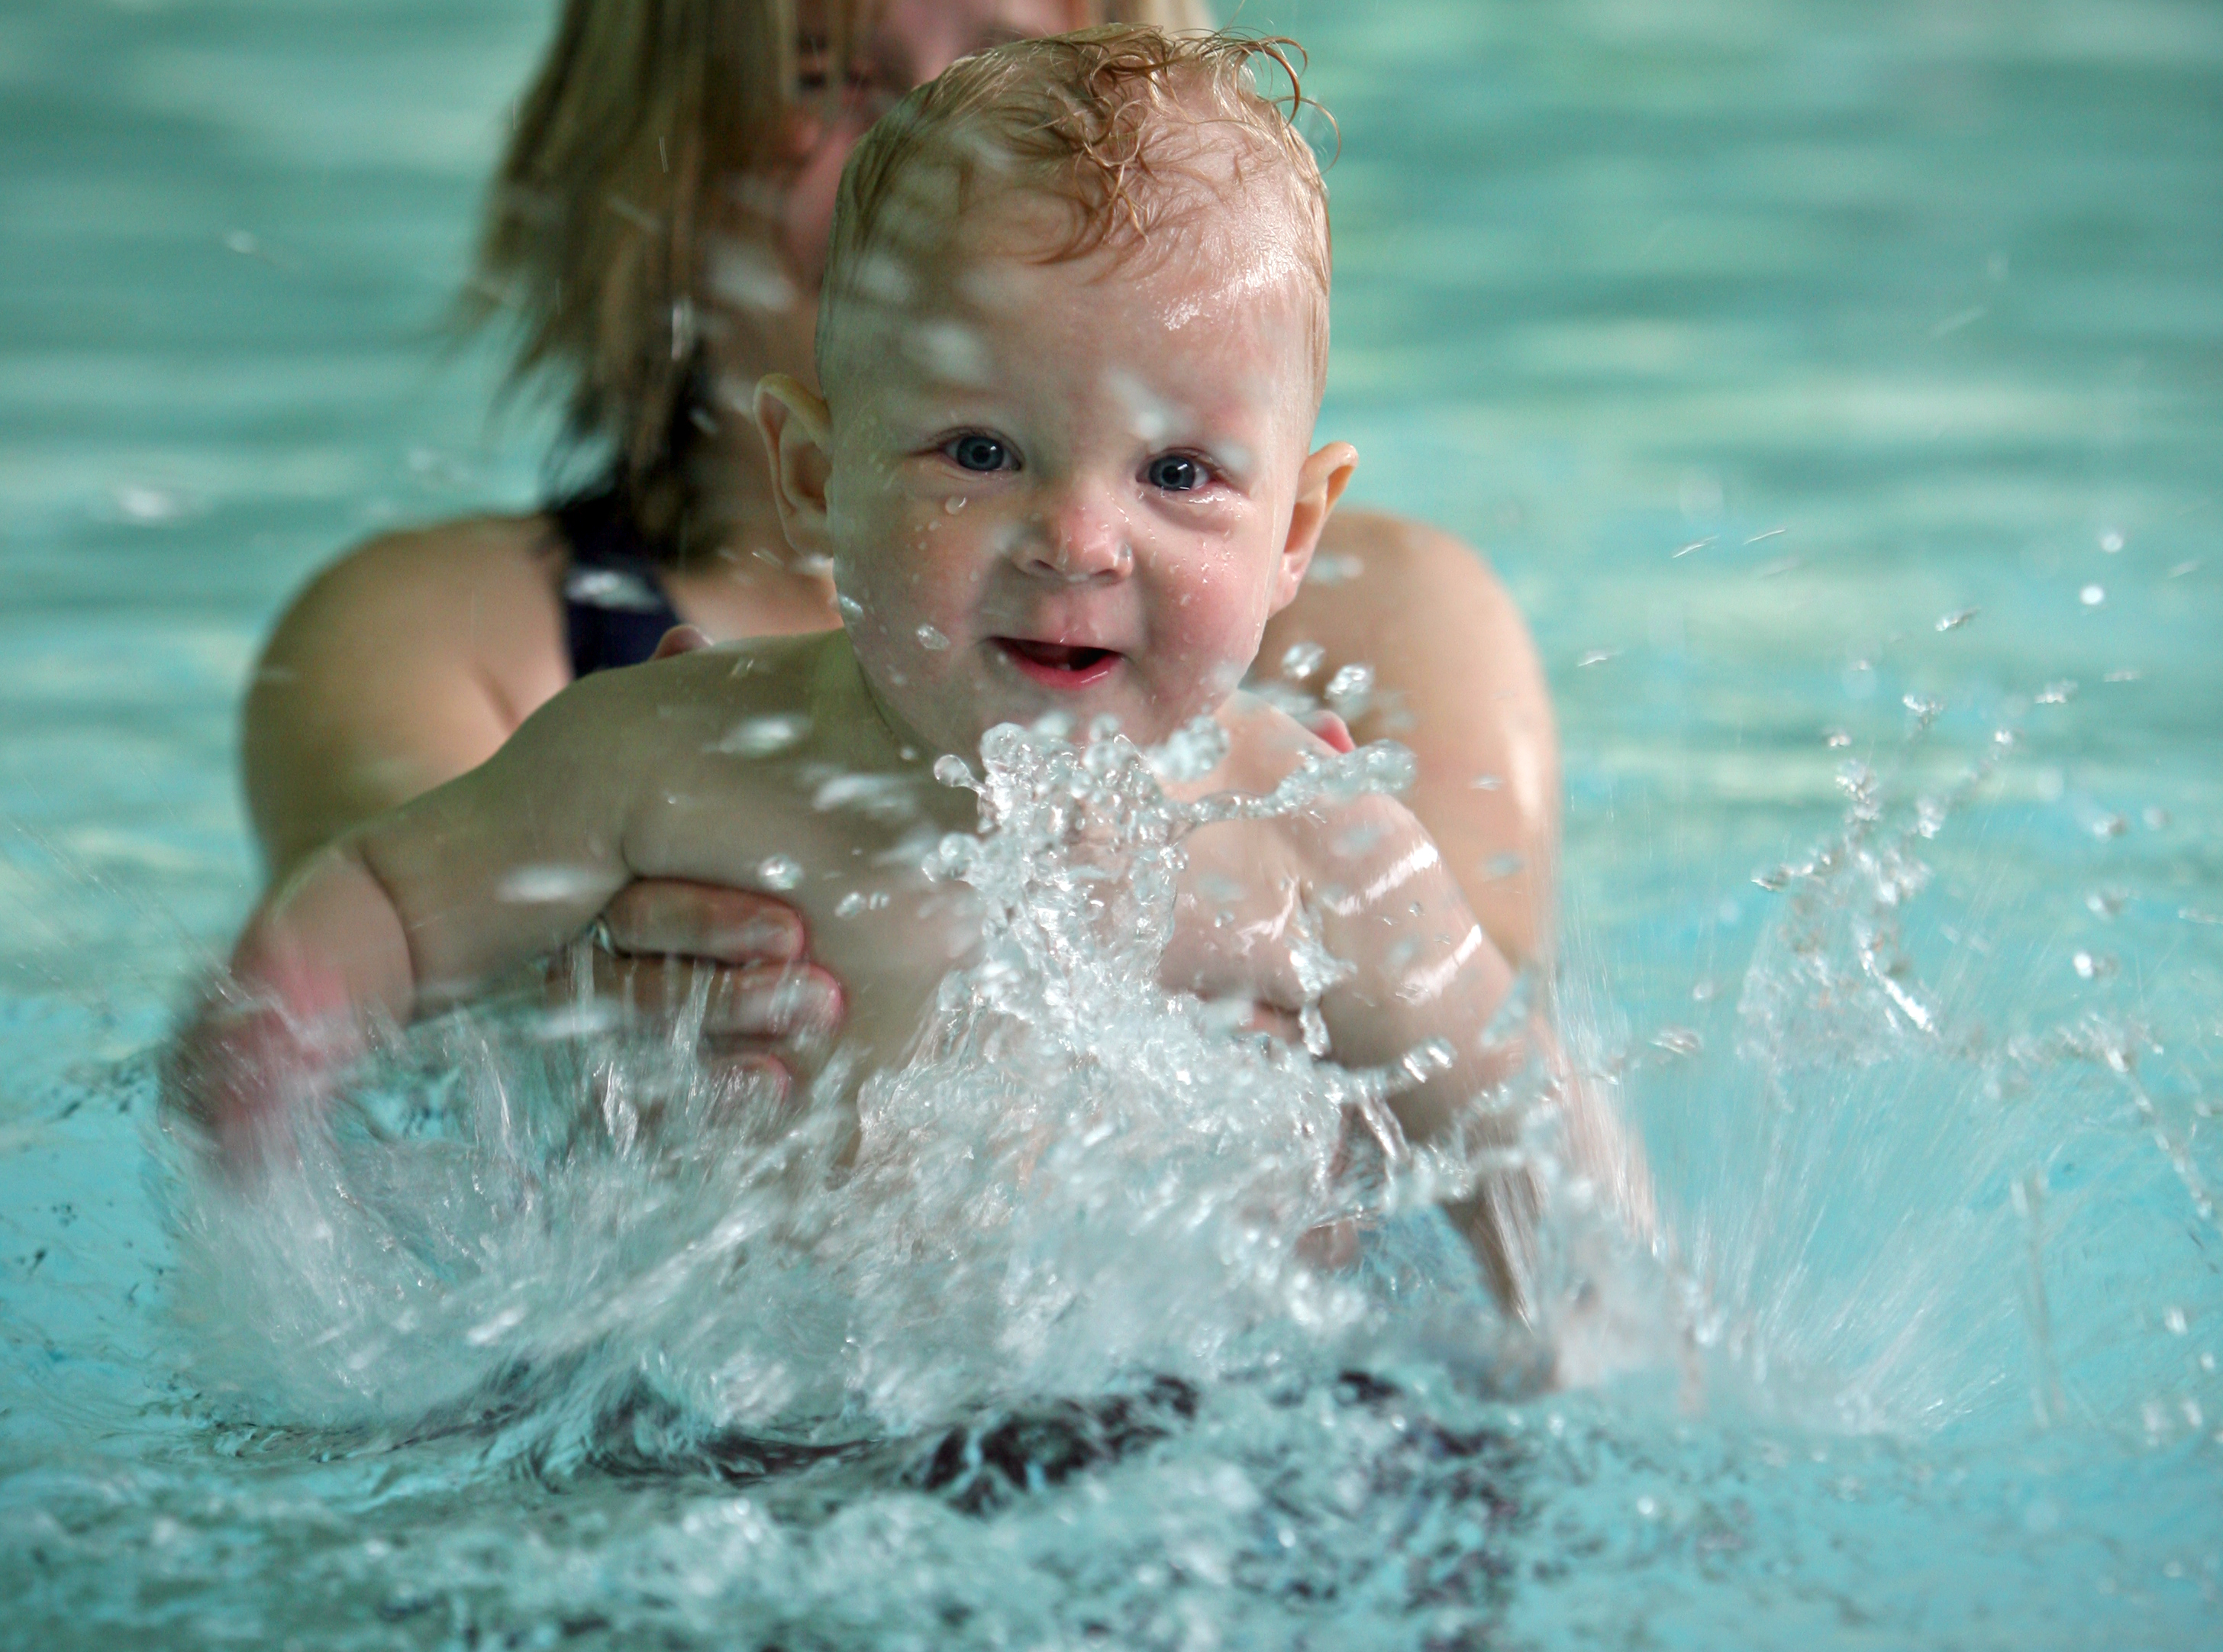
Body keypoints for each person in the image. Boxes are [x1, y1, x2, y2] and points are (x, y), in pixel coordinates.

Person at [177, 28, 1637, 1314]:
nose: (1078, 541)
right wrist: (294, 1060)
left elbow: (1532, 1147)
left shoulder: (1315, 845)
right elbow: (385, 913)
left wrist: (1633, 1395)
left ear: (1296, 532)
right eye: (979, 453)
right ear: (814, 474)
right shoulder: (667, 756)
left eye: (1178, 471)